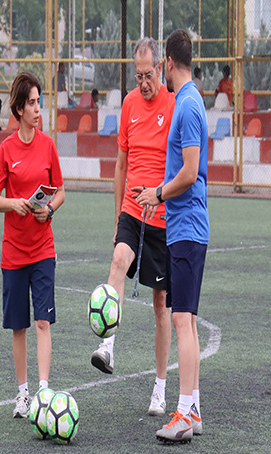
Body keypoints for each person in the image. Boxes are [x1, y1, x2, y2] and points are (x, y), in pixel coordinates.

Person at [89, 38, 176, 420]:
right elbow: (121, 166)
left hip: (161, 216)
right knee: (118, 261)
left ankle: (159, 387)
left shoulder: (174, 107)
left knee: (161, 305)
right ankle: (108, 345)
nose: (143, 82)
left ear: (161, 69)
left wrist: (162, 198)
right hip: (131, 211)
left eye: (148, 74)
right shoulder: (128, 105)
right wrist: (116, 217)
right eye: (137, 75)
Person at [136, 29, 209, 444]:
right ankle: (193, 406)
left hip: (185, 229)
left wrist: (157, 193)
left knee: (181, 319)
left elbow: (189, 170)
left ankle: (181, 412)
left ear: (165, 62)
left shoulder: (186, 105)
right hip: (187, 227)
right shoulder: (191, 100)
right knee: (190, 320)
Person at [0, 72, 65, 419]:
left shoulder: (48, 145)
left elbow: (60, 191)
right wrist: (14, 203)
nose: (38, 108)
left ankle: (44, 392)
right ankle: (22, 395)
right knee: (18, 326)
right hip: (13, 252)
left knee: (43, 323)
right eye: (32, 103)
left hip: (43, 249)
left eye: (39, 101)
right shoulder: (6, 149)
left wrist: (48, 209)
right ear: (18, 109)